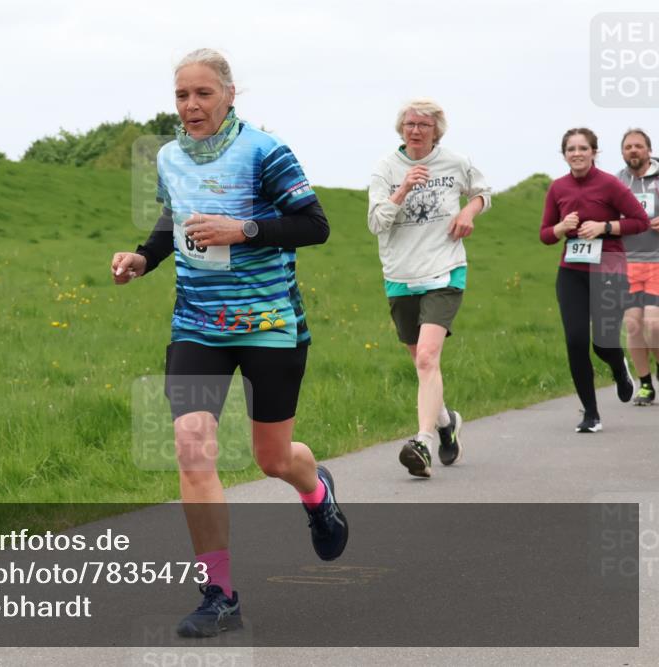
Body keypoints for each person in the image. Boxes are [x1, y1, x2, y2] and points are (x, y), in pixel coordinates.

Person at [110, 48, 348, 637]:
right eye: (182, 97)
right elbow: (173, 221)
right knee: (193, 446)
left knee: (273, 458)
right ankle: (219, 593)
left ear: (230, 94)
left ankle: (316, 491)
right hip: (197, 325)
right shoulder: (168, 156)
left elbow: (315, 225)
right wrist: (143, 258)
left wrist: (243, 230)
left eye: (203, 94)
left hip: (268, 325)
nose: (191, 106)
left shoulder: (266, 151)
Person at [367, 98, 491, 478]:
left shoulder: (455, 162)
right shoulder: (385, 169)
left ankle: (423, 441)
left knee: (426, 358)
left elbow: (483, 191)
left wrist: (470, 211)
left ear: (436, 130)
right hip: (401, 275)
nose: (415, 130)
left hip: (445, 271)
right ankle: (445, 423)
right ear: (400, 128)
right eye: (409, 124)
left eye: (423, 124)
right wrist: (402, 189)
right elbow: (375, 223)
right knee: (421, 363)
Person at [540, 128, 650, 432]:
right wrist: (562, 227)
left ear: (594, 152)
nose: (577, 153)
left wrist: (604, 226)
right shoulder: (557, 188)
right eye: (570, 149)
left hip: (609, 271)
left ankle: (619, 369)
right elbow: (545, 234)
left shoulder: (610, 185)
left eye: (583, 148)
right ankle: (591, 413)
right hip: (572, 272)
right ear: (564, 154)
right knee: (575, 342)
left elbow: (639, 222)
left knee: (602, 344)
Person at [616, 128, 659, 406]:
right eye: (628, 146)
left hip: (657, 262)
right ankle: (645, 384)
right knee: (633, 325)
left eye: (638, 146)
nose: (633, 150)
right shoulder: (616, 182)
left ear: (649, 150)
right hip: (627, 263)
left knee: (653, 326)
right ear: (623, 152)